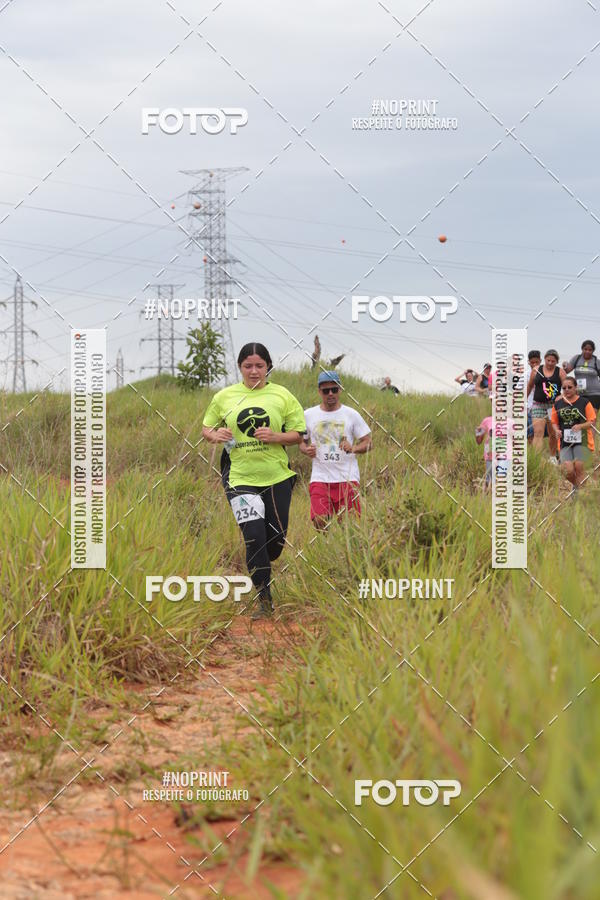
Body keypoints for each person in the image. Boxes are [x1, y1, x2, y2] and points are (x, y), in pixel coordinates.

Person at [202, 343, 306, 619]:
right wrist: (216, 435)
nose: (254, 371)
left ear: (268, 367)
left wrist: (276, 437)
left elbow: (298, 434)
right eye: (248, 365)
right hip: (239, 477)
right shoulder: (225, 396)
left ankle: (263, 563)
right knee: (254, 537)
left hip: (276, 476)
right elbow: (206, 429)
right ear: (240, 368)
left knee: (275, 543)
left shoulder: (282, 395)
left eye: (259, 365)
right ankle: (264, 600)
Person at [300, 371, 372, 529]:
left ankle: (342, 551)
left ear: (340, 389)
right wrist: (307, 450)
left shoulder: (351, 414)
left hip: (347, 478)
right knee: (320, 520)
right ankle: (327, 545)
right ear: (319, 391)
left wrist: (353, 448)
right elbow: (301, 443)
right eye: (326, 391)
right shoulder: (308, 415)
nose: (330, 394)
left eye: (334, 389)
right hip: (320, 478)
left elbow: (368, 442)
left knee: (350, 526)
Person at [550, 376, 596, 489]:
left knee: (579, 466)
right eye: (564, 388)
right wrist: (556, 430)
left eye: (569, 387)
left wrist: (580, 426)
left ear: (576, 388)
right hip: (565, 442)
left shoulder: (584, 402)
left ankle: (580, 496)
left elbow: (592, 421)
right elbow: (554, 422)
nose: (567, 390)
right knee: (567, 470)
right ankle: (577, 487)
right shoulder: (558, 404)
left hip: (583, 441)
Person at [526, 349, 565, 455]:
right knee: (538, 433)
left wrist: (562, 396)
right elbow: (530, 386)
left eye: (553, 361)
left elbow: (567, 387)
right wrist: (523, 399)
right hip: (538, 404)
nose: (550, 363)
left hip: (553, 406)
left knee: (552, 433)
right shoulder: (536, 370)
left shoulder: (560, 371)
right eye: (548, 360)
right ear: (544, 359)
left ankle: (553, 456)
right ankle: (537, 459)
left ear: (557, 361)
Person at [563, 340, 600, 426]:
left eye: (590, 350)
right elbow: (567, 370)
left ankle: (591, 439)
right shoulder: (577, 358)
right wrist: (565, 365)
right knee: (579, 418)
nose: (587, 351)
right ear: (582, 349)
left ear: (593, 350)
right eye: (585, 349)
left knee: (591, 419)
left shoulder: (596, 362)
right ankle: (581, 439)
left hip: (594, 394)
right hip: (579, 393)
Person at [475, 415, 509, 489]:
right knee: (489, 479)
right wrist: (478, 432)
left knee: (502, 479)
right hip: (490, 455)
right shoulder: (487, 420)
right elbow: (478, 441)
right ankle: (487, 497)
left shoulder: (510, 422)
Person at [526, 350, 541, 441]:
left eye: (537, 362)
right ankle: (533, 454)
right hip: (531, 407)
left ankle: (553, 454)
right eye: (532, 362)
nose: (534, 364)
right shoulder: (525, 375)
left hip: (547, 406)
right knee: (532, 432)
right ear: (528, 362)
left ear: (541, 360)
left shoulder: (547, 373)